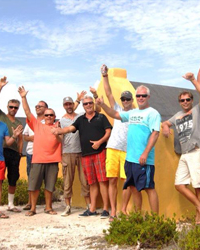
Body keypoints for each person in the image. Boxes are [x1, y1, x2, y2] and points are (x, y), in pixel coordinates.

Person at [97, 85, 160, 213]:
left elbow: (155, 134)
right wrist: (103, 105)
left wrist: (145, 153)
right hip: (130, 158)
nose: (140, 98)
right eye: (138, 96)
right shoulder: (132, 113)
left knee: (149, 188)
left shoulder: (153, 113)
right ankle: (137, 217)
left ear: (148, 97)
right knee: (133, 188)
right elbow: (114, 114)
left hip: (143, 159)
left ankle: (155, 221)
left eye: (143, 95)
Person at [161, 72, 200, 225]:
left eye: (188, 99)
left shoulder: (197, 110)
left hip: (197, 151)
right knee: (179, 185)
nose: (185, 102)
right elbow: (166, 123)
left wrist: (193, 80)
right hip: (185, 154)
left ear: (192, 100)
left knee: (197, 187)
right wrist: (164, 128)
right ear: (179, 102)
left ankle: (199, 218)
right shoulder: (177, 115)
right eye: (182, 100)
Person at [52, 96, 112, 219]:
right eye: (86, 104)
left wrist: (99, 142)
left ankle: (106, 209)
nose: (88, 105)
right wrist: (60, 131)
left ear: (93, 104)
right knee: (92, 183)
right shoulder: (80, 119)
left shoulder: (101, 117)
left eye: (90, 103)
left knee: (102, 181)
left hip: (99, 152)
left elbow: (108, 132)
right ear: (83, 106)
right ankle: (92, 209)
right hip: (85, 155)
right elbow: (70, 128)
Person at [100, 64, 141, 221]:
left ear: (132, 100)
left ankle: (123, 209)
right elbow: (109, 92)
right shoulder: (117, 109)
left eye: (127, 99)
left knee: (126, 182)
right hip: (112, 148)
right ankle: (113, 211)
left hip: (128, 151)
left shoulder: (137, 113)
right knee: (112, 180)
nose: (125, 101)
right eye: (123, 99)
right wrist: (104, 76)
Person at [18, 86, 62, 216]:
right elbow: (27, 111)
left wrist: (57, 133)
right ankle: (32, 209)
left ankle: (48, 208)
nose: (48, 117)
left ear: (54, 116)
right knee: (34, 186)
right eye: (47, 115)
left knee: (50, 186)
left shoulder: (58, 127)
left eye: (51, 115)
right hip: (37, 160)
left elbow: (61, 141)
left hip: (53, 161)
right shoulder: (37, 125)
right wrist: (23, 97)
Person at [0, 76, 23, 213]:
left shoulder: (18, 123)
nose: (13, 109)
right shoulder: (1, 116)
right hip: (1, 151)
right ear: (7, 107)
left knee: (13, 178)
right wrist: (0, 86)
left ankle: (10, 204)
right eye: (11, 107)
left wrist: (20, 153)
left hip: (14, 153)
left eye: (15, 107)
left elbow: (20, 139)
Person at [22, 100, 48, 211]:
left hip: (43, 153)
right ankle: (30, 202)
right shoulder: (30, 121)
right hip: (31, 153)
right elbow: (25, 137)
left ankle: (48, 205)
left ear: (46, 108)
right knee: (31, 178)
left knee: (46, 179)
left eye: (40, 106)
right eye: (36, 106)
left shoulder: (48, 120)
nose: (37, 108)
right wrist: (32, 138)